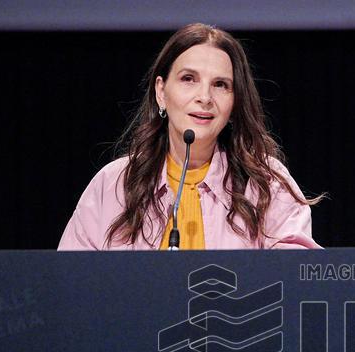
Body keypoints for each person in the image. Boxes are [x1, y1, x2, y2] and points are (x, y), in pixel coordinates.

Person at [59, 23, 320, 250]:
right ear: (161, 92)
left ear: (235, 103)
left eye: (220, 85)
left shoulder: (266, 184)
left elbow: (295, 279)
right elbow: (70, 281)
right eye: (188, 79)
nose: (204, 97)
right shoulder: (112, 184)